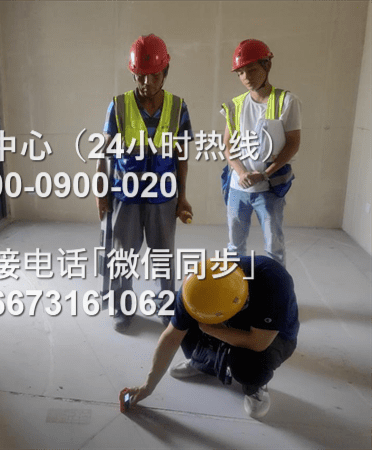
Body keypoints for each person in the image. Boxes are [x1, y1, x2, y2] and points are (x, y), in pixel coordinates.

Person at [119, 256, 299, 419]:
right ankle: (204, 363)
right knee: (173, 310)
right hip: (223, 324)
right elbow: (171, 337)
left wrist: (210, 329)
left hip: (272, 335)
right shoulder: (195, 286)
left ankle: (255, 387)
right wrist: (148, 385)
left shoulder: (273, 280)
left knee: (248, 365)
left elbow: (259, 342)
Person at [96, 34, 193, 332]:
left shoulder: (178, 107)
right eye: (140, 76)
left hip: (163, 196)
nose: (147, 82)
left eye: (154, 75)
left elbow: (182, 156)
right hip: (125, 195)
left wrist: (182, 197)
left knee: (163, 256)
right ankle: (122, 307)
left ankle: (166, 307)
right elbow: (103, 153)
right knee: (122, 255)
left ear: (165, 72)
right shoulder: (119, 105)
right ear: (133, 73)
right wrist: (101, 192)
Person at [220, 39, 301, 267]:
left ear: (267, 65)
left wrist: (264, 174)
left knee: (274, 247)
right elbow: (228, 146)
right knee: (235, 247)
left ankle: (276, 287)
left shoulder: (287, 101)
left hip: (270, 189)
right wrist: (241, 173)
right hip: (238, 188)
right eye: (240, 73)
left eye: (251, 69)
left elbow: (292, 144)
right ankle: (235, 288)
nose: (246, 77)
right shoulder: (235, 105)